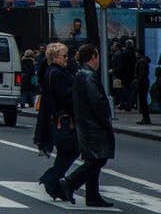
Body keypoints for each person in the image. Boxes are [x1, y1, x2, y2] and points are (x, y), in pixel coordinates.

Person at [57, 44, 115, 208]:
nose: (99, 61)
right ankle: (69, 183)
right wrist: (105, 120)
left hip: (86, 124)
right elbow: (97, 102)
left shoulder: (81, 74)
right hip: (93, 125)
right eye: (97, 57)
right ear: (93, 57)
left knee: (93, 158)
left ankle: (92, 196)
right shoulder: (88, 76)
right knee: (98, 159)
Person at [36, 43, 79, 202]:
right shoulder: (57, 74)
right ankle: (52, 179)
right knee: (73, 149)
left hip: (58, 118)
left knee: (65, 152)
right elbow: (65, 97)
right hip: (64, 119)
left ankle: (55, 185)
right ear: (54, 58)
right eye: (64, 56)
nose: (67, 58)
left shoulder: (51, 72)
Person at [117, 40, 138, 111]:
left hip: (125, 75)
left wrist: (119, 74)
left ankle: (123, 104)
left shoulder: (123, 53)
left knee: (125, 89)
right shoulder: (135, 54)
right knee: (132, 90)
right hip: (133, 74)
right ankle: (129, 104)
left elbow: (121, 65)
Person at [134, 50, 152, 124]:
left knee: (143, 102)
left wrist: (138, 82)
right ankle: (145, 118)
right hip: (144, 83)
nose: (135, 54)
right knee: (143, 101)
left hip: (142, 84)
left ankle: (146, 119)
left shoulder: (141, 62)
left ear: (139, 54)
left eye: (136, 53)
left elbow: (141, 74)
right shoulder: (144, 61)